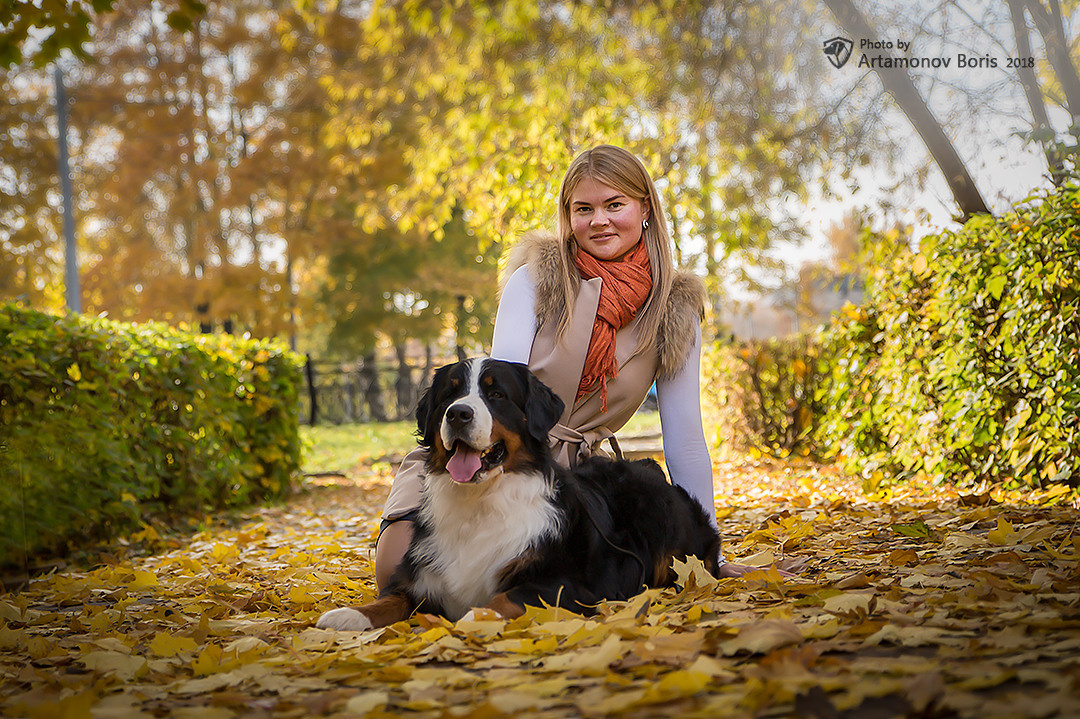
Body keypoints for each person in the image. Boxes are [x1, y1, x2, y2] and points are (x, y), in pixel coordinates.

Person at [375, 144, 774, 587]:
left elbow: (686, 439)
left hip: (577, 480)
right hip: (494, 454)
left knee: (538, 588)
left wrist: (707, 553)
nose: (599, 220)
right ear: (569, 216)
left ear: (645, 209)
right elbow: (499, 393)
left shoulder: (674, 310)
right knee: (394, 571)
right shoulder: (536, 278)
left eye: (614, 204)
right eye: (584, 208)